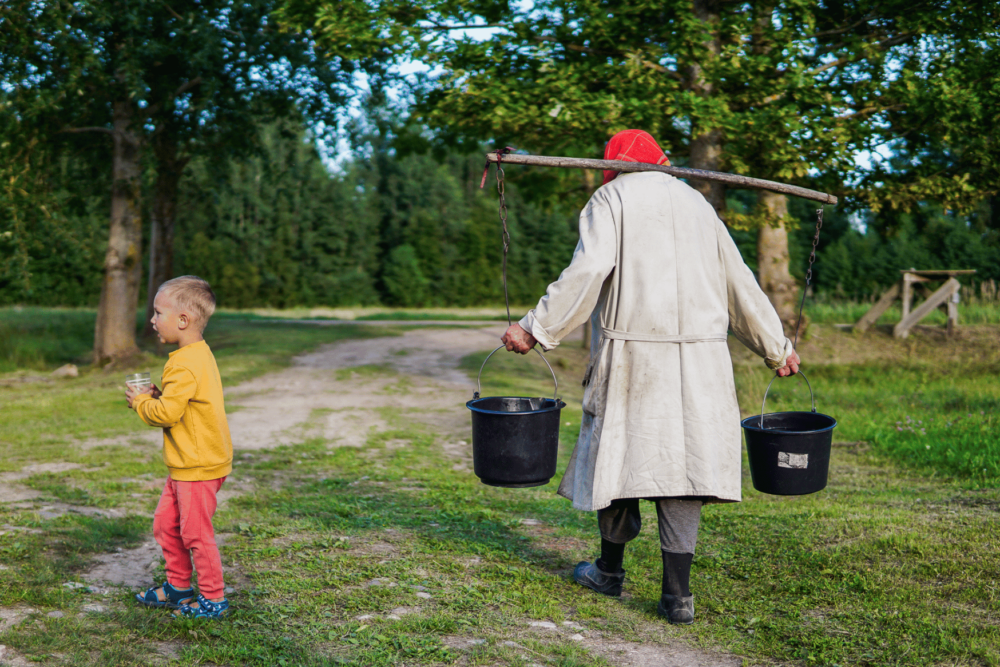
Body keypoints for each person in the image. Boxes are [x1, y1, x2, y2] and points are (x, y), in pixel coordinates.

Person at [501, 129, 800, 625]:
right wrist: (777, 347)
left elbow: (587, 271)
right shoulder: (699, 205)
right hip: (701, 359)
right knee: (682, 468)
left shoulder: (611, 197)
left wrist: (537, 327)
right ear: (661, 161)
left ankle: (610, 573)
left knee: (618, 458)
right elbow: (739, 283)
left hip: (635, 355)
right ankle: (676, 596)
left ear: (614, 165)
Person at [126, 275, 233, 620]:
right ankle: (179, 587)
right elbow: (181, 403)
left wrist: (143, 402)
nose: (153, 320)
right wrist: (160, 396)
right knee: (165, 524)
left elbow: (167, 415)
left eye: (158, 313)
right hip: (188, 463)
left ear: (182, 320)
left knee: (195, 534)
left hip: (197, 466)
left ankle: (214, 600)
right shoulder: (197, 354)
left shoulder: (183, 362)